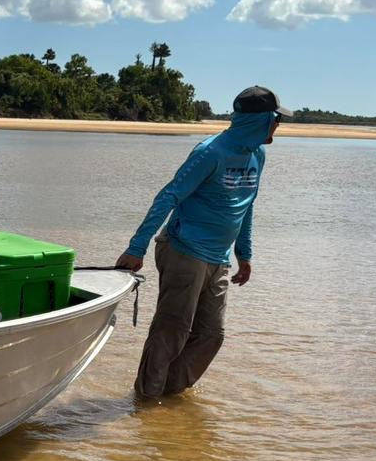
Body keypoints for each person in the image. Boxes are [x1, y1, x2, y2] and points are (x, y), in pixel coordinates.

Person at [116, 85, 288, 400]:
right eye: (277, 118)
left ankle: (167, 395)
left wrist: (244, 254)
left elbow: (246, 205)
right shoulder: (210, 152)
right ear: (260, 120)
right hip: (184, 249)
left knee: (211, 336)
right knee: (173, 330)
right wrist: (136, 247)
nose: (279, 125)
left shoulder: (257, 156)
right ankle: (147, 399)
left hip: (219, 259)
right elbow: (168, 196)